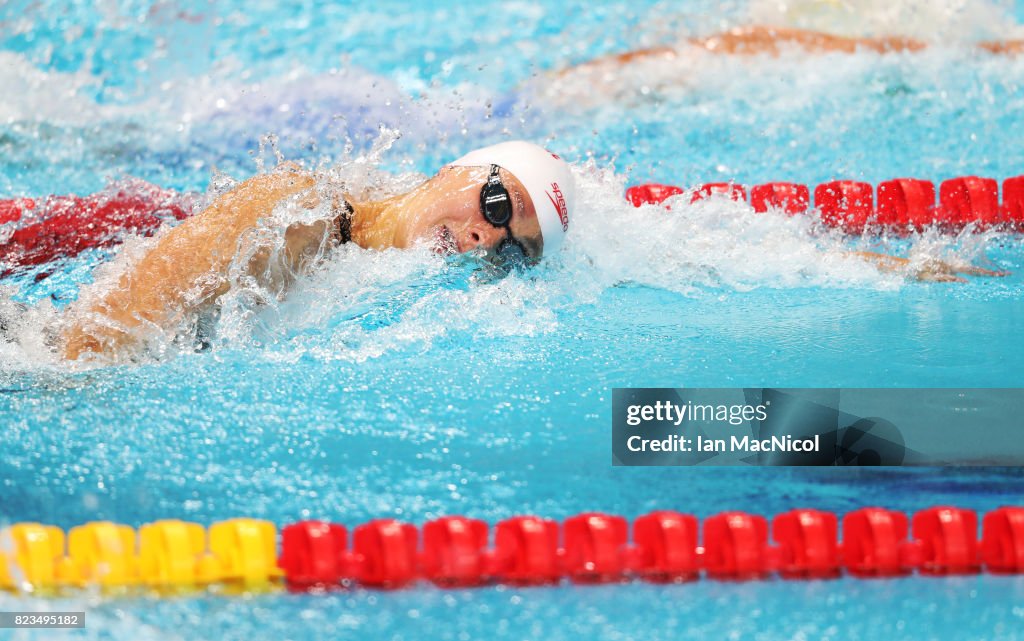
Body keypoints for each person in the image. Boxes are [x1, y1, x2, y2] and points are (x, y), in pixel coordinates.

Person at [59, 141, 575, 361]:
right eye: (498, 206)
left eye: (513, 252)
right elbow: (104, 330)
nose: (486, 239)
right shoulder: (299, 212)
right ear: (458, 169)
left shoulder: (377, 280)